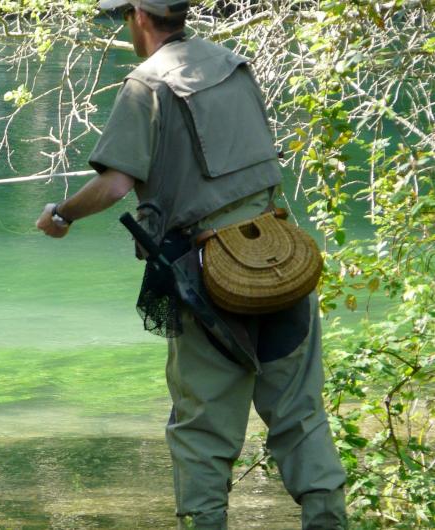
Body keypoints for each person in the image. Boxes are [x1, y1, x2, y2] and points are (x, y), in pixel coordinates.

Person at [35, 1, 348, 528]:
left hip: (212, 278)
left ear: (138, 16)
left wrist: (61, 215)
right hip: (284, 260)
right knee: (300, 418)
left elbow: (114, 185)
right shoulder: (233, 63)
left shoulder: (146, 85)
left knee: (202, 430)